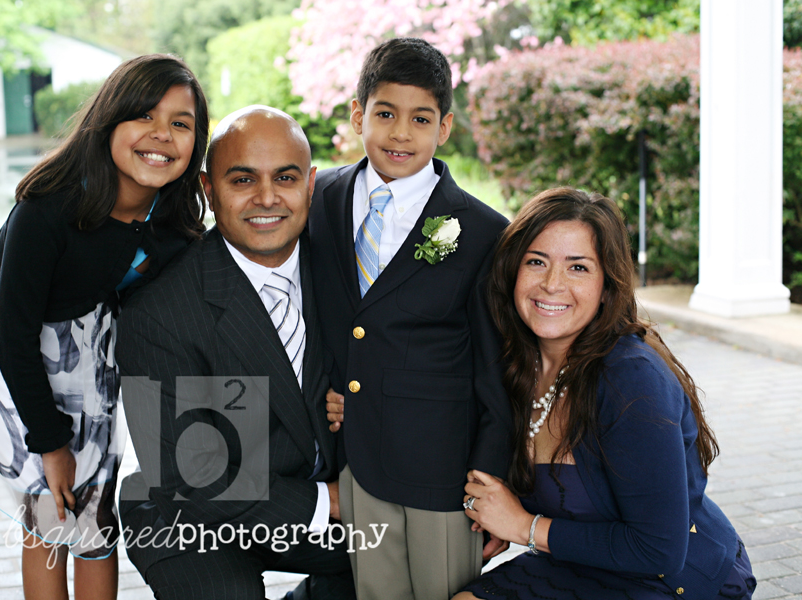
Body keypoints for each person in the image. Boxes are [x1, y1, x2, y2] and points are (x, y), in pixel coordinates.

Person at [0, 54, 208, 599]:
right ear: (108, 122)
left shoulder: (175, 228)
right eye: (144, 115)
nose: (161, 134)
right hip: (4, 330)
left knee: (94, 508)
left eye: (180, 124)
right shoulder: (48, 208)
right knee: (49, 508)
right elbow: (15, 337)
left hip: (88, 322)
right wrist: (50, 444)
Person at [454, 187, 756, 600]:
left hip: (671, 577)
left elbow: (658, 550)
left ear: (607, 285)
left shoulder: (632, 380)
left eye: (578, 268)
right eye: (536, 261)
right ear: (511, 271)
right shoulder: (515, 364)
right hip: (578, 560)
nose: (552, 284)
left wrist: (522, 526)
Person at [115, 106, 356, 600]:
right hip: (190, 514)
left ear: (310, 183)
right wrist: (332, 501)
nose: (266, 198)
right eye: (243, 180)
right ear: (208, 189)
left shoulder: (345, 268)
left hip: (319, 497)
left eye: (285, 178)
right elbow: (187, 477)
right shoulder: (156, 312)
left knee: (429, 557)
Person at [309, 37, 513, 600]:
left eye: (420, 119)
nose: (401, 133)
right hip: (353, 464)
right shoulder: (318, 199)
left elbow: (495, 371)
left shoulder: (482, 232)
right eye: (385, 114)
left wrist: (490, 482)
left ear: (443, 128)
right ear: (358, 116)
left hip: (442, 473)